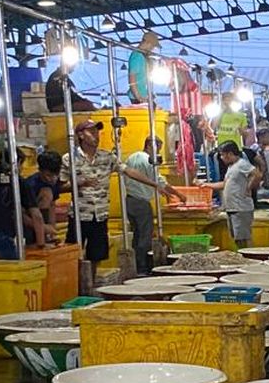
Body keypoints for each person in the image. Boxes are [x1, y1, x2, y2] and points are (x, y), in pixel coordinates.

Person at [66, 119, 119, 280]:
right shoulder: (70, 158)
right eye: (91, 132)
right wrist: (80, 183)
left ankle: (90, 282)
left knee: (97, 254)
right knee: (74, 254)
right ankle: (75, 284)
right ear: (81, 135)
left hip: (100, 214)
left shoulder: (106, 157)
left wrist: (155, 184)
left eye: (97, 132)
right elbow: (58, 185)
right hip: (80, 215)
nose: (96, 135)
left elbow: (126, 170)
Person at [0, 149, 47, 259]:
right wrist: (41, 246)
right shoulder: (20, 183)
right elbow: (37, 216)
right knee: (13, 262)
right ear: (18, 163)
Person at [124, 138, 183, 273]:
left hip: (129, 201)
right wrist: (179, 195)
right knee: (144, 236)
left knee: (137, 235)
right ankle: (143, 267)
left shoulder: (132, 157)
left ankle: (136, 266)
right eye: (159, 148)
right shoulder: (149, 161)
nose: (159, 153)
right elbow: (160, 181)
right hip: (141, 203)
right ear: (150, 145)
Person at [203, 141, 258, 248]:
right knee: (237, 238)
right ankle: (244, 258)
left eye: (223, 155)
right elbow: (224, 184)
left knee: (243, 238)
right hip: (232, 208)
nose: (222, 158)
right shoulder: (231, 167)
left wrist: (249, 188)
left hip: (241, 208)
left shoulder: (242, 164)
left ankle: (249, 258)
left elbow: (257, 174)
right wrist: (206, 185)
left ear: (230, 154)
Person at [29, 150, 63, 236]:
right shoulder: (31, 184)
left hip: (43, 224)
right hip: (29, 223)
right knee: (46, 192)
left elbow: (52, 205)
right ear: (40, 170)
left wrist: (52, 229)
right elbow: (21, 215)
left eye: (56, 175)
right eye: (48, 175)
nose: (52, 179)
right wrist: (43, 228)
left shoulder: (55, 182)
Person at [127, 31, 159, 104]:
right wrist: (139, 98)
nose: (152, 49)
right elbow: (132, 78)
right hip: (137, 96)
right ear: (148, 43)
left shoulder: (142, 56)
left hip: (143, 94)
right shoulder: (137, 56)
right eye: (152, 46)